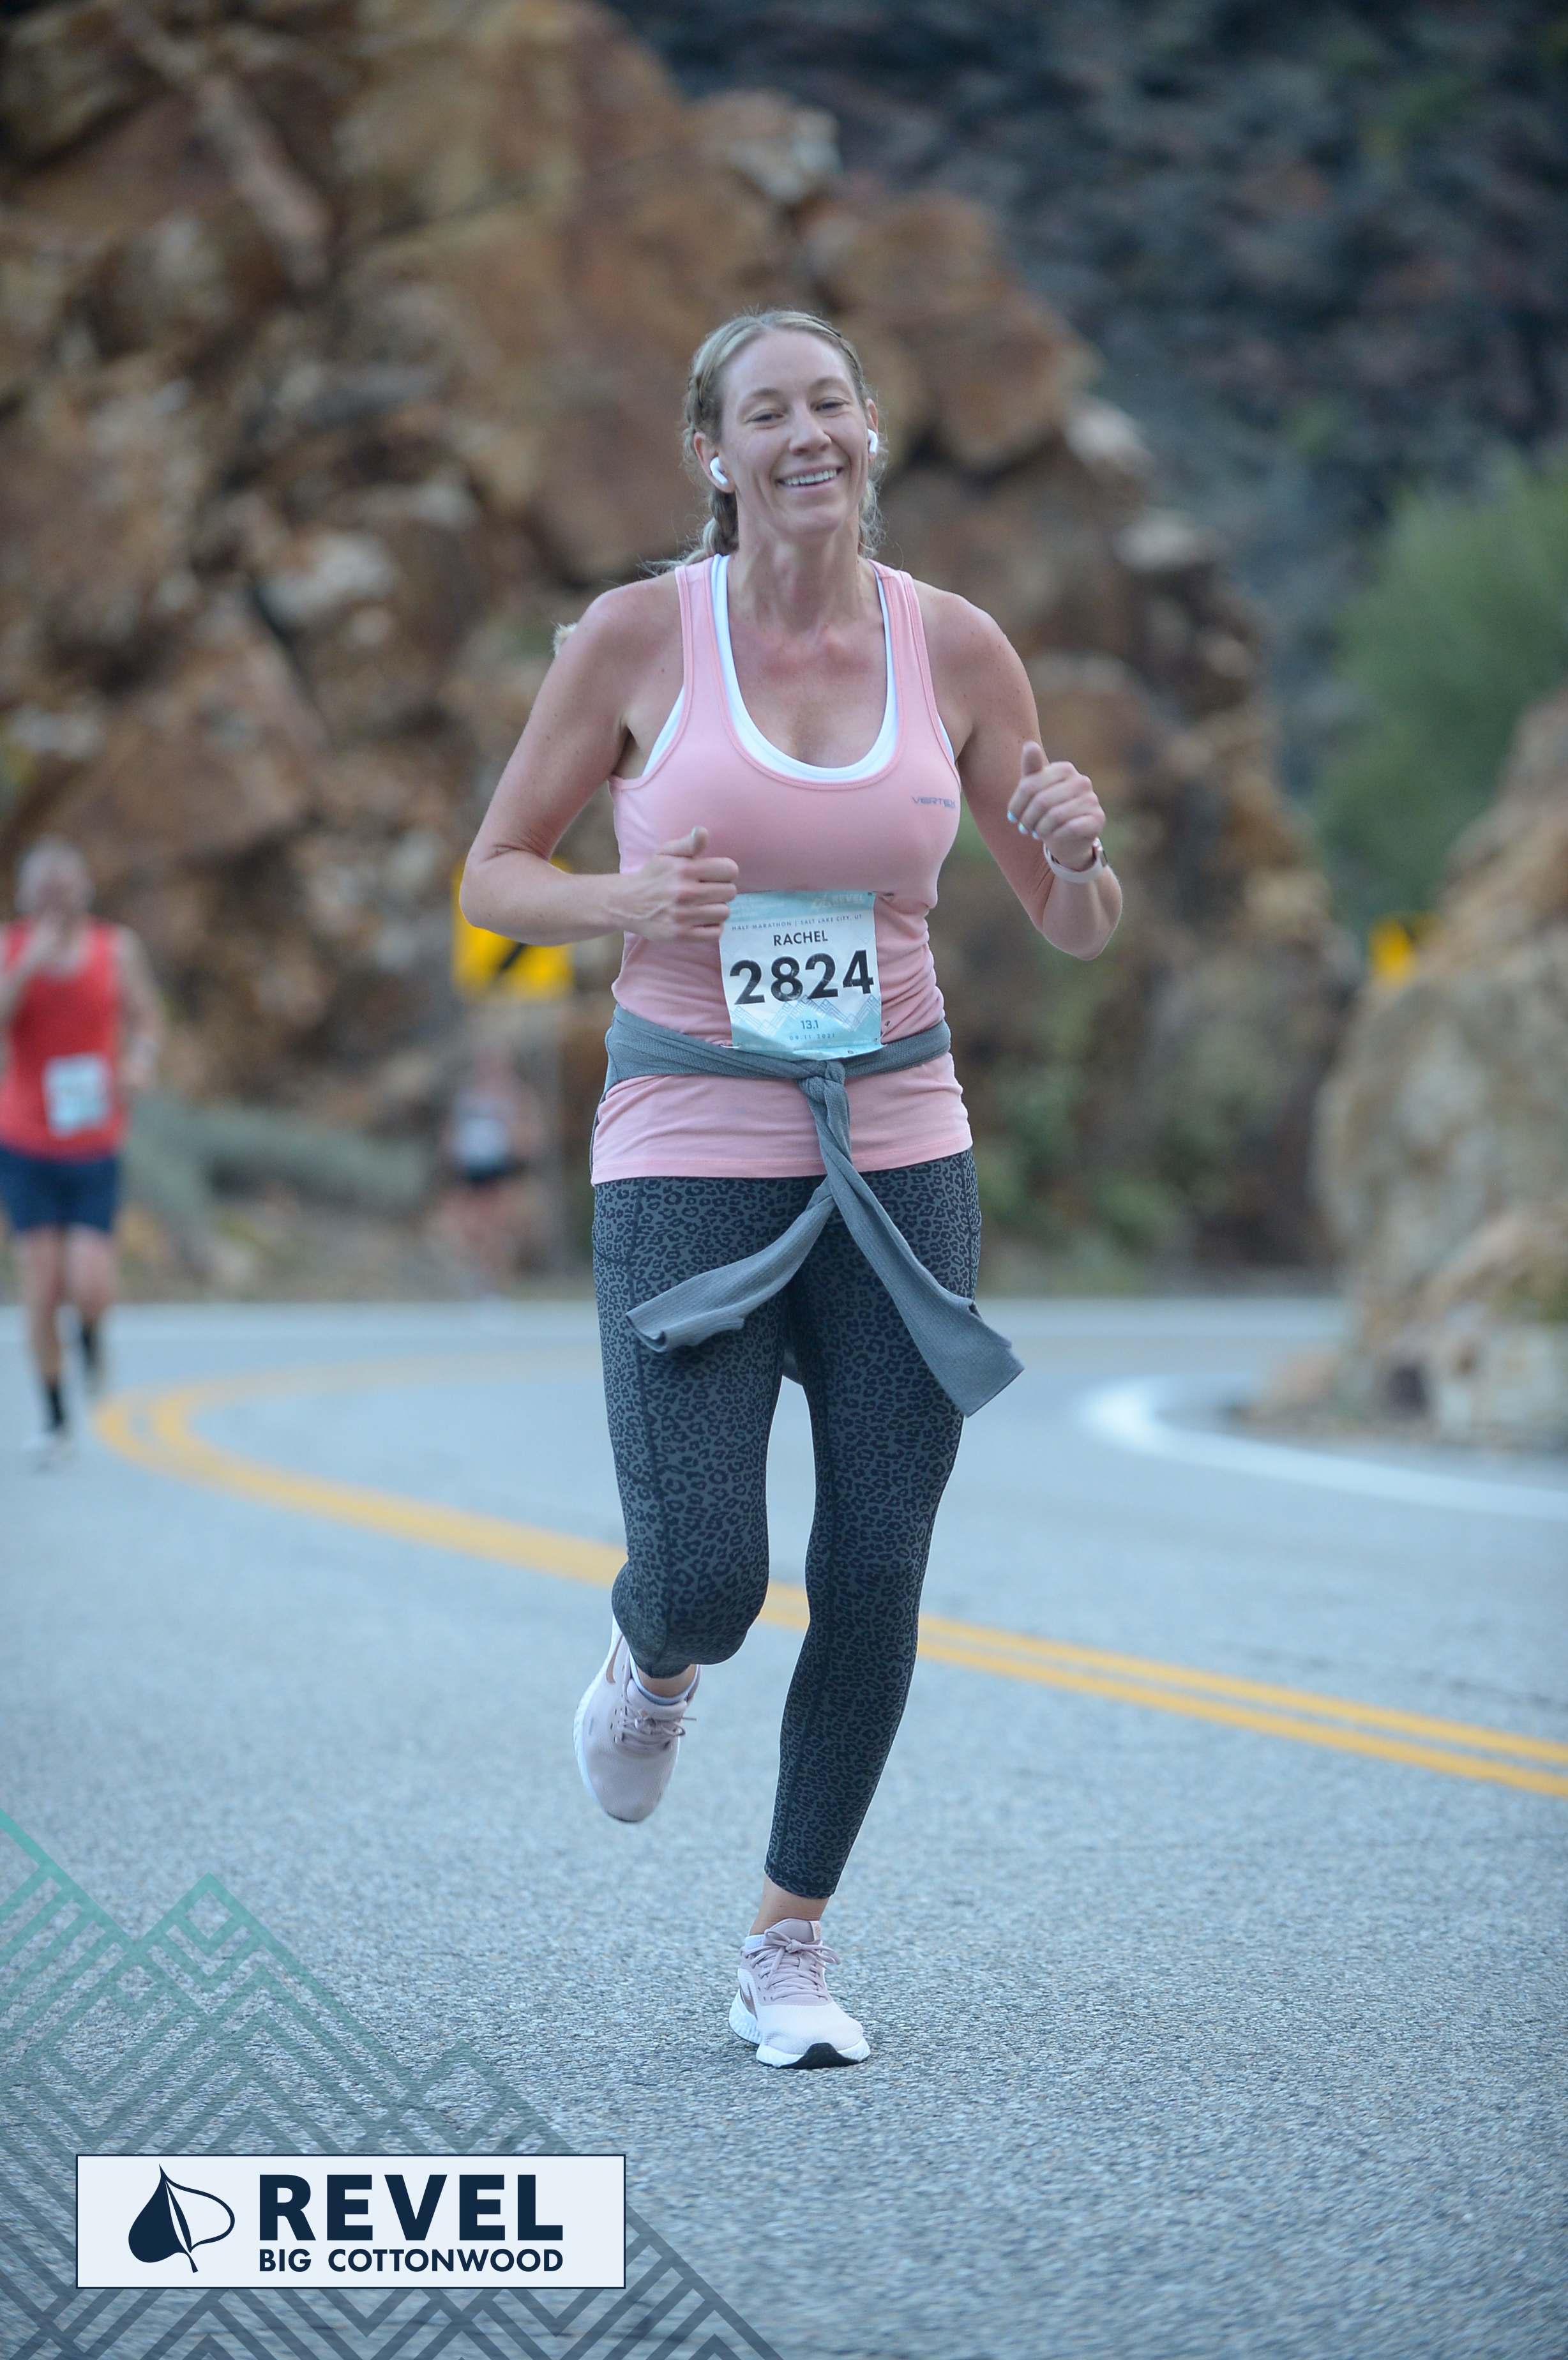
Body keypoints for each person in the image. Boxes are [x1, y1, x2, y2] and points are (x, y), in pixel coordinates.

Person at [462, 308, 1120, 2068]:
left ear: (870, 430)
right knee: (704, 1571)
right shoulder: (634, 639)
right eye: (767, 411)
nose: (805, 433)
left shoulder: (955, 648)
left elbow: (1069, 923)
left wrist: (1075, 860)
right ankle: (652, 1660)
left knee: (876, 1563)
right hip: (691, 1137)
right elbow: (495, 872)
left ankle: (787, 1941)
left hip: (903, 1145)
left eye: (830, 402)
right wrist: (623, 905)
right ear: (714, 451)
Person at [0, 837, 162, 1463]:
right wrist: (28, 967)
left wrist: (141, 1060)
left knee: (89, 1284)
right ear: (25, 895)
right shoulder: (9, 948)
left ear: (84, 892)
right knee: (42, 1287)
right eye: (44, 892)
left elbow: (147, 1018)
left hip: (94, 1139)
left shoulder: (116, 948)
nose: (56, 903)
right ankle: (54, 1417)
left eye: (65, 891)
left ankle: (91, 1338)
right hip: (25, 1139)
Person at [435, 1041, 552, 1290]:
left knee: (498, 1230)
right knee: (467, 1227)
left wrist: (515, 1142)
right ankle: (478, 1279)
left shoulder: (518, 1095)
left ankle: (496, 1283)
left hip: (503, 1172)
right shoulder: (465, 1094)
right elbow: (450, 1134)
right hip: (470, 1173)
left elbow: (534, 1138)